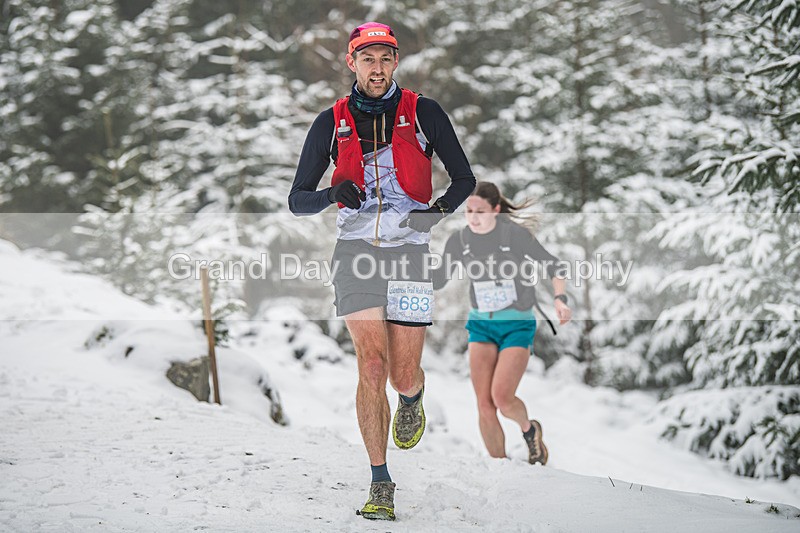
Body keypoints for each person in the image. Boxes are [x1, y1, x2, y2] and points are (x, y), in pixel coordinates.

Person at [288, 21, 476, 521]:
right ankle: (380, 481)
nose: (377, 68)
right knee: (371, 366)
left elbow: (464, 178)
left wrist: (435, 213)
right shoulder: (331, 122)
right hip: (355, 253)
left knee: (401, 373)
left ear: (395, 62)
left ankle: (412, 397)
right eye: (367, 59)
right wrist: (332, 193)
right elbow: (297, 200)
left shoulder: (423, 113)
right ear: (351, 62)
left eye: (385, 58)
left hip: (410, 254)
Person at [432, 182, 572, 464]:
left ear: (496, 210)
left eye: (480, 212)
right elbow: (439, 279)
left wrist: (560, 299)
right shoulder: (460, 241)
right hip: (481, 325)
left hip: (516, 325)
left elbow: (554, 265)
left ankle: (529, 430)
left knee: (503, 399)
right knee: (484, 405)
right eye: (469, 211)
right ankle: (501, 467)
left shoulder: (514, 235)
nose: (473, 218)